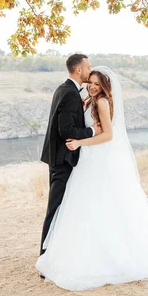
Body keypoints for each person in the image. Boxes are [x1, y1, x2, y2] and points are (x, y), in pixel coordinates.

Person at [36, 66, 148, 291]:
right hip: (88, 161)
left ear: (105, 87)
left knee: (100, 205)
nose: (92, 86)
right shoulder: (89, 100)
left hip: (96, 159)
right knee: (87, 206)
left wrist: (80, 142)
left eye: (98, 84)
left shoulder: (101, 102)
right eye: (91, 81)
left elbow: (108, 135)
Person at [39, 53, 102, 258]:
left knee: (60, 207)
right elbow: (66, 130)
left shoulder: (64, 89)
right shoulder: (69, 93)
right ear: (79, 70)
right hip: (62, 159)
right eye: (88, 66)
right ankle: (45, 257)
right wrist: (92, 130)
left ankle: (54, 253)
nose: (90, 69)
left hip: (57, 157)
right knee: (55, 209)